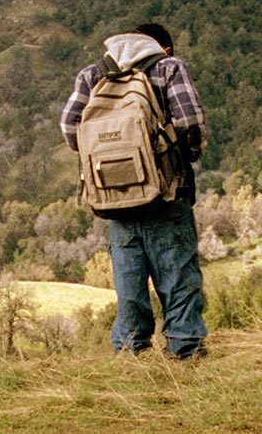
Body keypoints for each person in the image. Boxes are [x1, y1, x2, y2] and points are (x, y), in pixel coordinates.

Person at [60, 23, 208, 359]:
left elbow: (70, 127)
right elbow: (191, 124)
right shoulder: (169, 68)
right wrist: (177, 161)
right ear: (163, 48)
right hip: (167, 197)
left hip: (115, 201)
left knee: (129, 289)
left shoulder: (93, 74)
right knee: (179, 280)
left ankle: (130, 354)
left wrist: (111, 165)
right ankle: (185, 352)